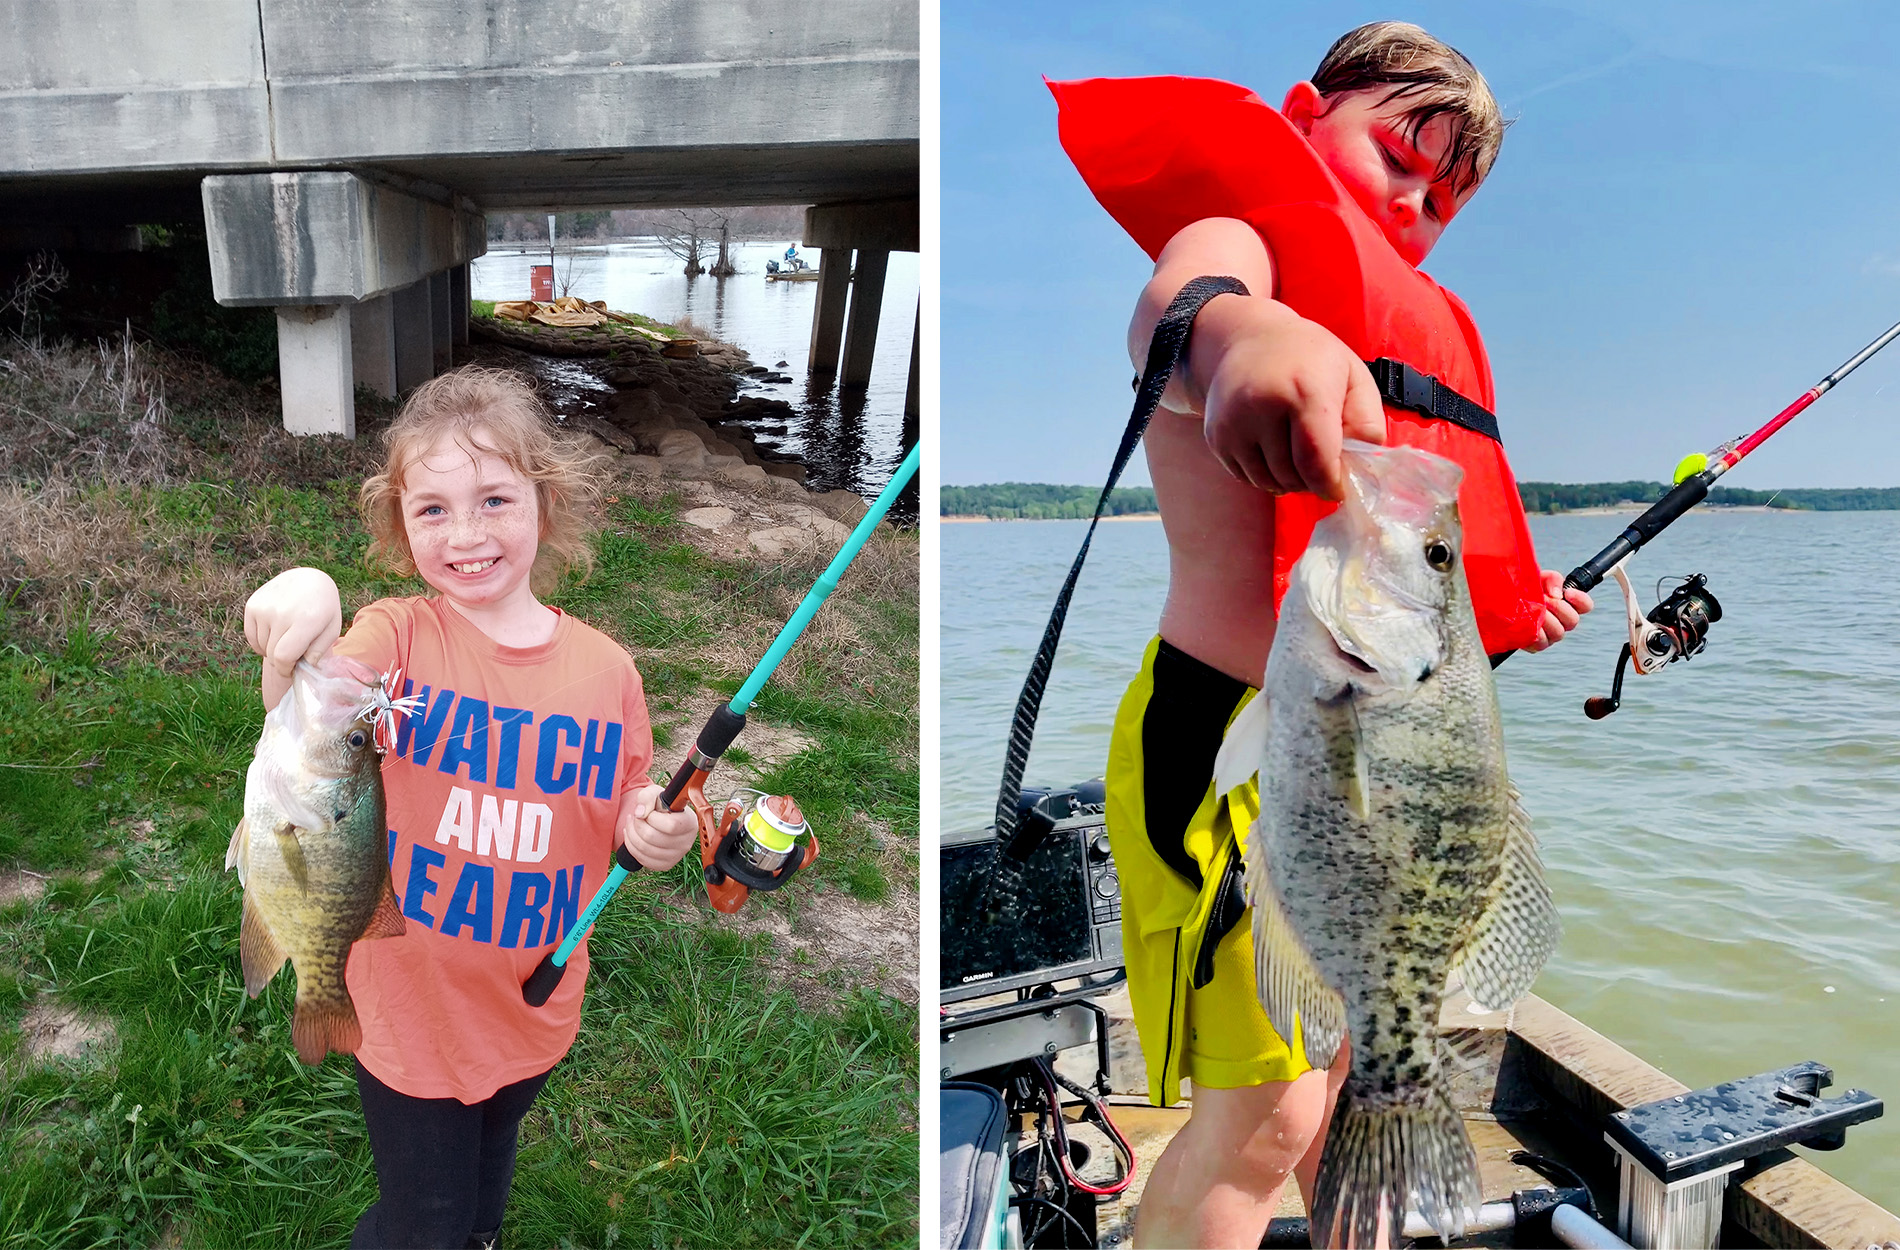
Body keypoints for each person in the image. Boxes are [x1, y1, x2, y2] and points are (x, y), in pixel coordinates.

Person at [1051, 23, 1594, 1249]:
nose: (1413, 201)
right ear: (1307, 110)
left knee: (1352, 1077)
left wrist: (1518, 607)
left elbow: (1427, 587)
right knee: (1264, 1117)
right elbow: (1175, 315)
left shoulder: (1429, 322)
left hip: (1385, 766)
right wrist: (1248, 340)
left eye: (1443, 198)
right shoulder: (1244, 243)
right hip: (1231, 751)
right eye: (1400, 156)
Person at [243, 366, 698, 1250]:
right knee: (427, 1218)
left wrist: (657, 829)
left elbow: (628, 806)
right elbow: (306, 704)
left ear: (546, 503)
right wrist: (307, 599)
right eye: (434, 510)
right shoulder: (399, 635)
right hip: (410, 1008)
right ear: (399, 522)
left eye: (494, 500)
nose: (467, 534)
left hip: (533, 1002)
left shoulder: (607, 672)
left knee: (488, 1174)